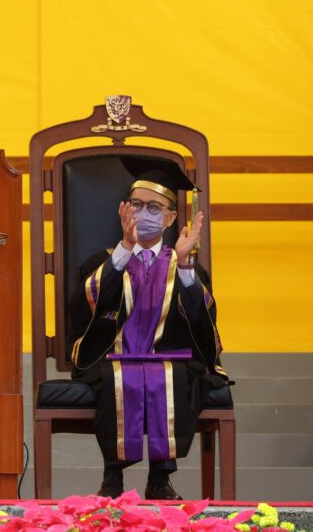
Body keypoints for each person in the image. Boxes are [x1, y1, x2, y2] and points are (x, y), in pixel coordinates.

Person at [67, 156, 228, 500]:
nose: (145, 213)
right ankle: (113, 478)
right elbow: (87, 309)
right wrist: (124, 251)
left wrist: (184, 265)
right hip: (112, 358)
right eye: (137, 205)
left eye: (155, 207)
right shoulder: (103, 262)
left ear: (171, 218)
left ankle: (160, 479)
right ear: (124, 211)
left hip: (169, 360)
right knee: (117, 374)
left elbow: (202, 323)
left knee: (171, 375)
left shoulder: (185, 266)